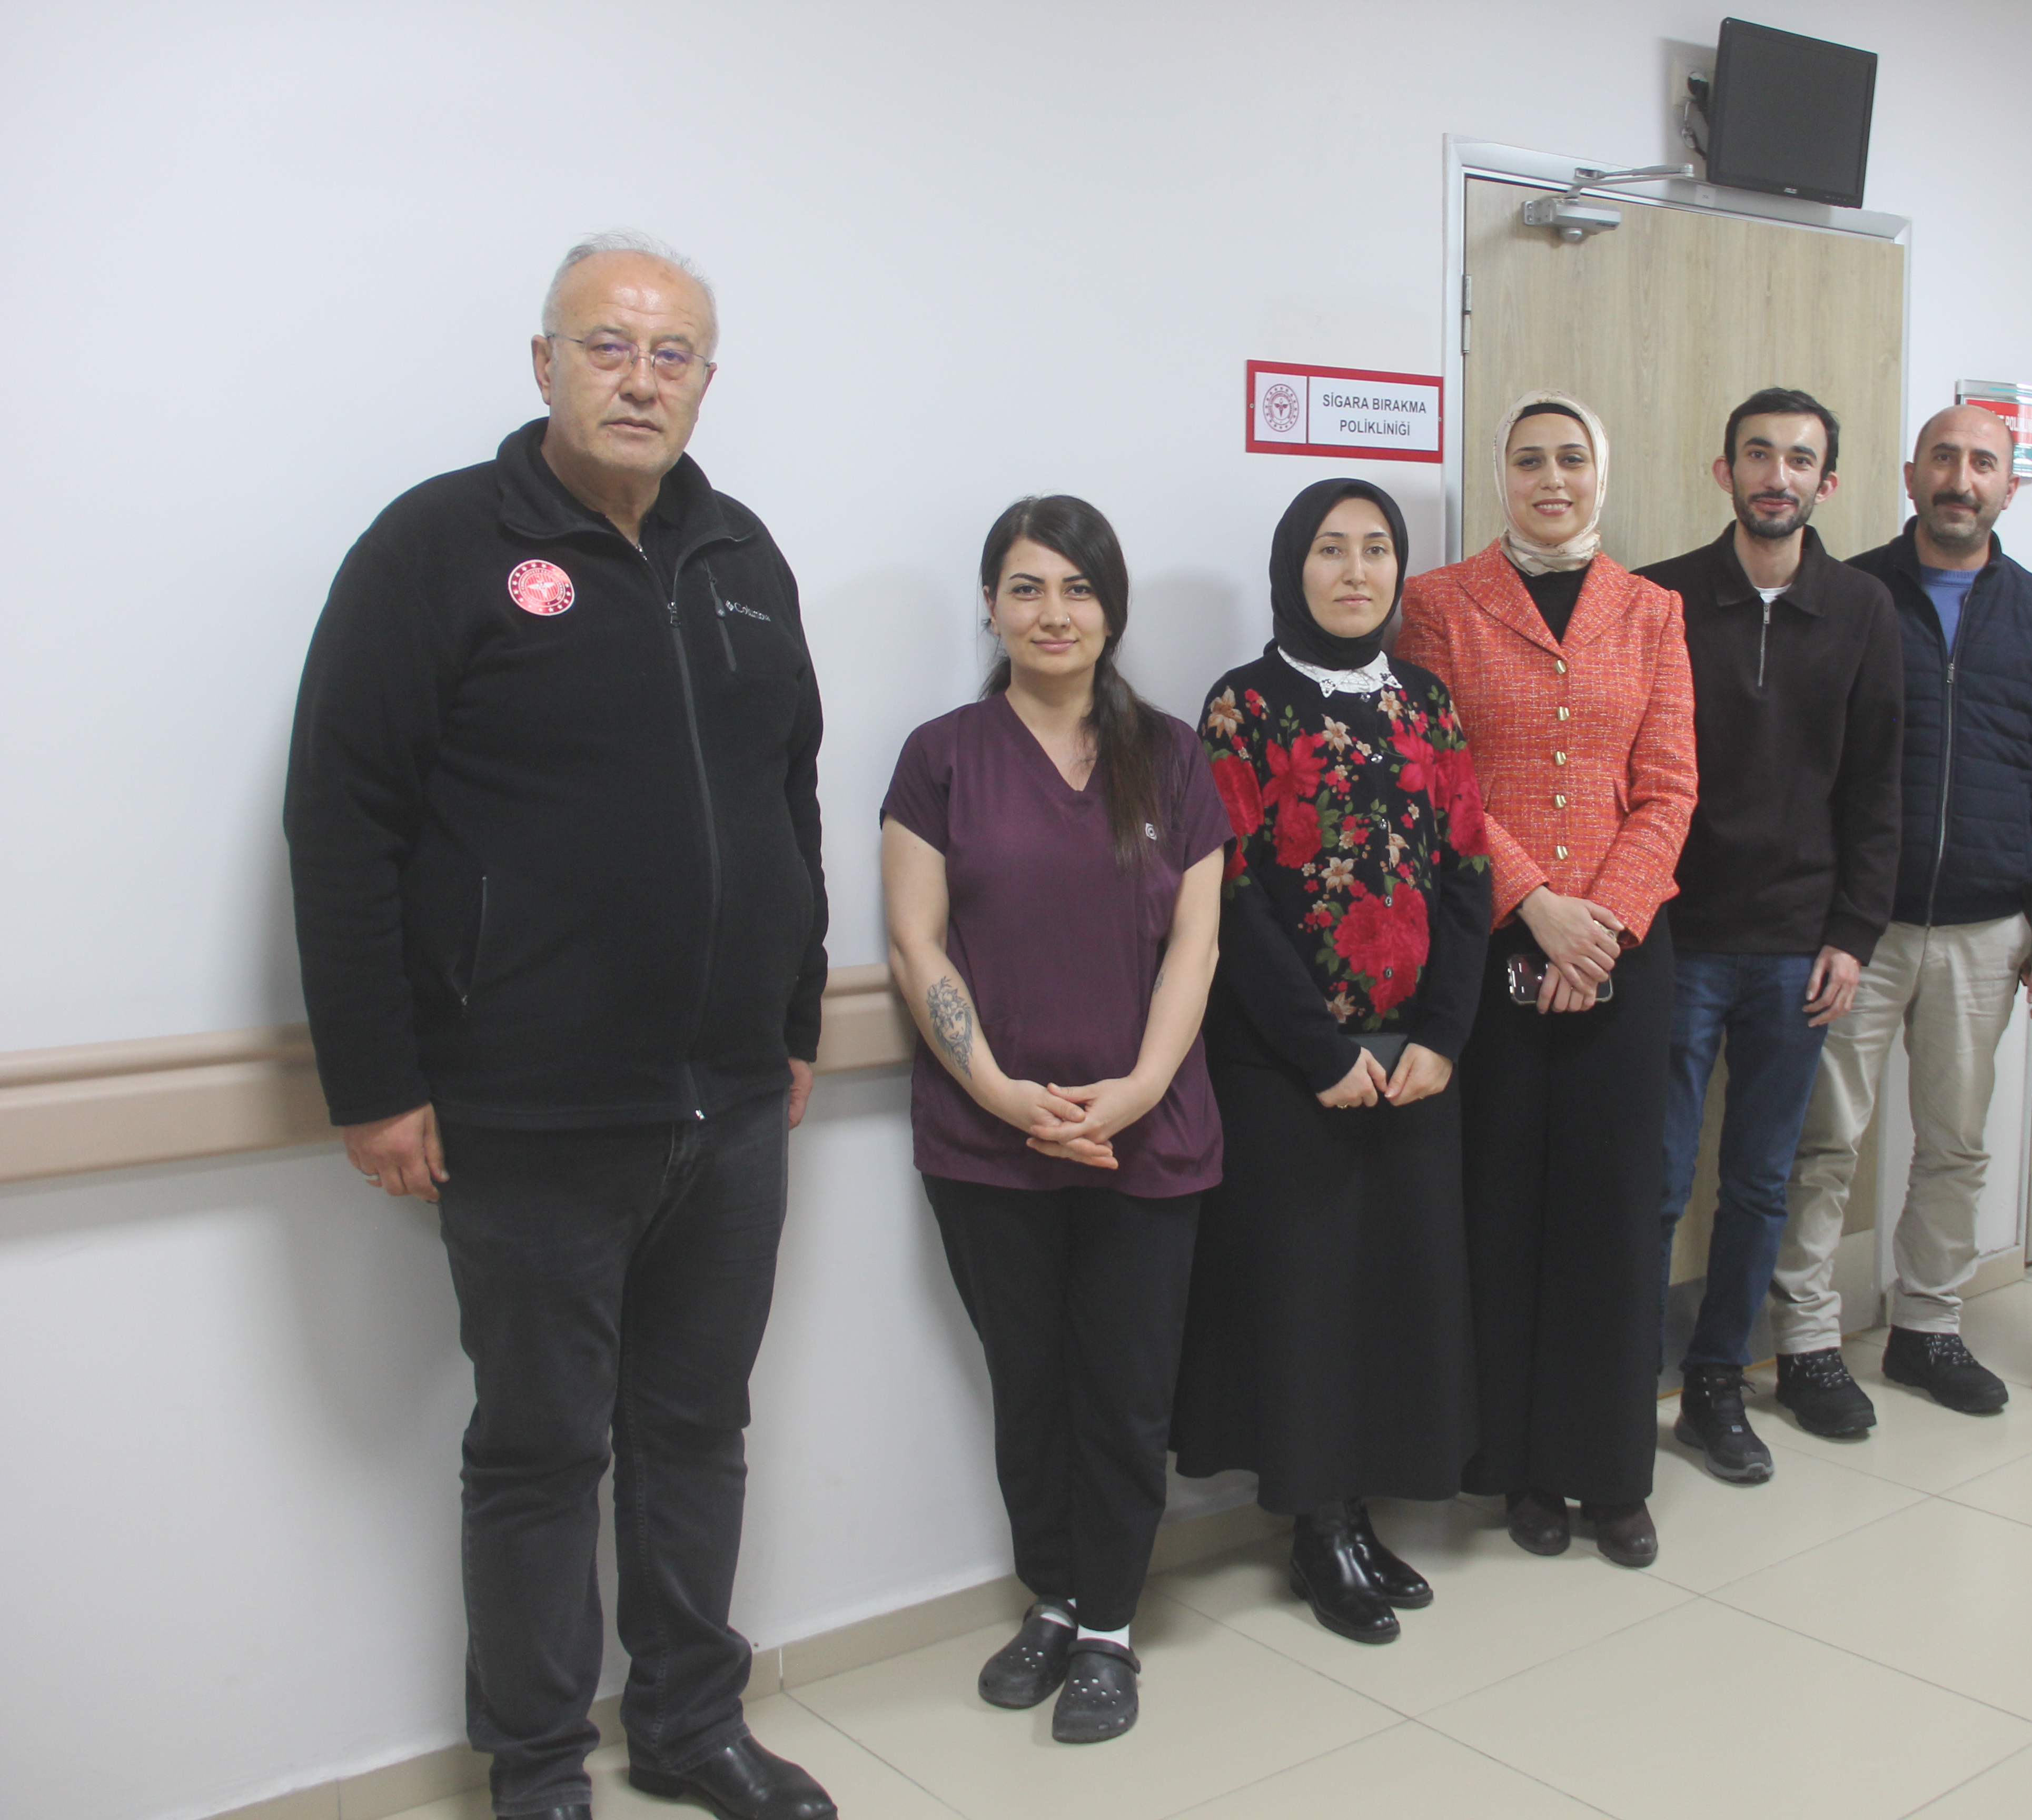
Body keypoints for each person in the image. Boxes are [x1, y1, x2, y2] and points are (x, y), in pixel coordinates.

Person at [284, 234, 835, 1820]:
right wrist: (375, 1082)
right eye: (607, 346)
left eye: (672, 355)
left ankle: (689, 1726)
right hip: (527, 1113)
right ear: (544, 365)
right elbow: (342, 820)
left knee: (697, 1433)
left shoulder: (743, 555)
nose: (639, 379)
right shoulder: (437, 548)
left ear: (706, 382)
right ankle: (535, 1770)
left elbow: (789, 798)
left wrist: (794, 1012)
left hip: (730, 1107)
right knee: (538, 1453)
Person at [879, 494, 1227, 1745]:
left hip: (1151, 1134)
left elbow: (1196, 948)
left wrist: (1135, 1091)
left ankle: (1112, 1631)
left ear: (1111, 609)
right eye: (1026, 587)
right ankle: (1057, 1597)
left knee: (1124, 1392)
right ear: (990, 606)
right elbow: (917, 944)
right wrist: (997, 1091)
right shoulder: (941, 757)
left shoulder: (1173, 757)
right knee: (1028, 1385)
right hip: (989, 1143)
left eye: (1078, 588)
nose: (1053, 612)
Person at [1173, 477, 1492, 1644]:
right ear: (1289, 567)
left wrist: (1445, 1036)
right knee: (1306, 1300)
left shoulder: (1428, 703)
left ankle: (1361, 1510)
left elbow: (1468, 874)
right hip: (1288, 1064)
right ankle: (1316, 1528)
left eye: (1376, 550)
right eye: (1329, 549)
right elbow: (1234, 895)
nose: (1356, 572)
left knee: (1395, 1292)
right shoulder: (1243, 706)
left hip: (1415, 1065)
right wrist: (1317, 1050)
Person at [1395, 390, 1697, 1568]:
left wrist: (1602, 926)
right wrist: (1536, 907)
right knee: (1506, 1203)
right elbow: (1439, 777)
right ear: (1502, 477)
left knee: (1616, 1212)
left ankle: (1613, 1471)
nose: (1553, 480)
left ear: (1601, 475)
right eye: (1530, 461)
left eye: (1572, 459)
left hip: (1624, 949)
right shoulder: (1441, 605)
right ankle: (1519, 1466)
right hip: (1493, 942)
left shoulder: (1653, 611)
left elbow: (1669, 786)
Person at [1769, 405, 2032, 1422]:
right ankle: (1806, 1341)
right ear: (1911, 474)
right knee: (1824, 1142)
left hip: (1987, 931)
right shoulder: (1850, 596)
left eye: (1984, 463)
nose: (1963, 479)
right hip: (1855, 933)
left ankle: (1927, 1327)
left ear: (2011, 484)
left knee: (1956, 1143)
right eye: (1945, 459)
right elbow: (1804, 763)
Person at [1635, 388, 1903, 1477]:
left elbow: (1879, 787)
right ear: (1725, 471)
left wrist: (1855, 932)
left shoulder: (1863, 611)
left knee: (1758, 1182)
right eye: (1758, 454)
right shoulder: (1656, 598)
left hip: (1798, 948)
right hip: (1678, 939)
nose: (1776, 476)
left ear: (1825, 483)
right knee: (1656, 1181)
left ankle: (1715, 1385)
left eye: (1799, 459)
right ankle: (1621, 1390)